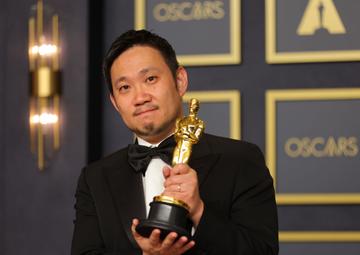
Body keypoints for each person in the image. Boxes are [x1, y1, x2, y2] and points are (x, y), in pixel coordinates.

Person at [71, 29, 278, 255]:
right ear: (115, 102)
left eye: (150, 79)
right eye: (125, 88)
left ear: (179, 81)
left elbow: (263, 251)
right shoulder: (95, 178)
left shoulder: (240, 159)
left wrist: (199, 211)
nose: (140, 97)